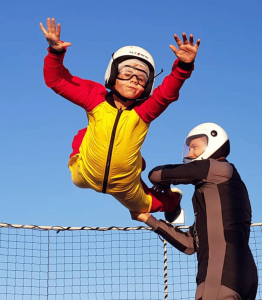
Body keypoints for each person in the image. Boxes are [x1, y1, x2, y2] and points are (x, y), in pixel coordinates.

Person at [40, 18, 200, 222]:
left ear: (147, 85)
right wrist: (55, 53)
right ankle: (130, 161)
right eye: (127, 73)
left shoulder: (144, 111)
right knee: (83, 138)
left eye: (141, 78)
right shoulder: (95, 99)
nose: (134, 79)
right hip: (84, 174)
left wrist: (183, 67)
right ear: (113, 75)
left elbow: (166, 94)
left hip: (124, 185)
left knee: (146, 206)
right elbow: (56, 80)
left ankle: (172, 201)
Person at [131, 122, 258, 300]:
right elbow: (190, 244)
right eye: (188, 149)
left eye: (195, 148)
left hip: (219, 273)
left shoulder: (218, 169)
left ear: (214, 143)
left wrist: (166, 191)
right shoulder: (221, 189)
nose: (189, 154)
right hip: (242, 275)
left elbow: (156, 174)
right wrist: (148, 219)